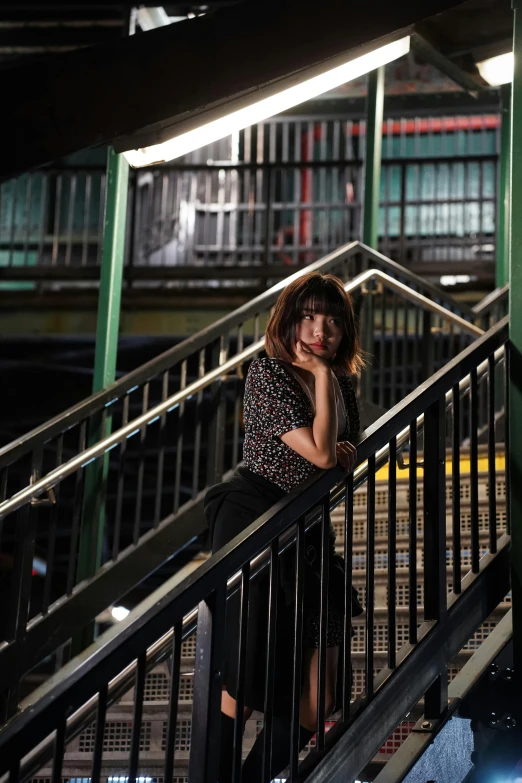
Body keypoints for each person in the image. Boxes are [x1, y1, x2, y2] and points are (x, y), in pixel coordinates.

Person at [203, 271, 364, 782]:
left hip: (309, 530)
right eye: (310, 317)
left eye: (333, 321)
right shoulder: (266, 374)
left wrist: (327, 385)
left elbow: (343, 452)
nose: (321, 330)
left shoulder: (341, 384)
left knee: (320, 698)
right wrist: (320, 378)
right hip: (256, 519)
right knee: (246, 676)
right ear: (289, 322)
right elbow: (321, 452)